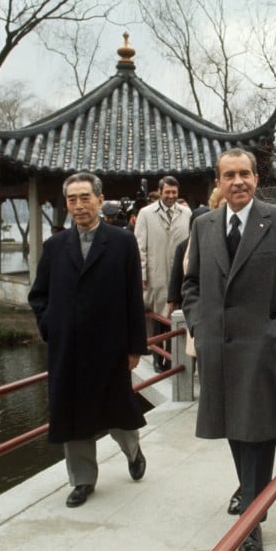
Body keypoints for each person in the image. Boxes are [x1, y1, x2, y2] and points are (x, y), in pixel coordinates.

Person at [182, 148, 276, 551]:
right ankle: (249, 490)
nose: (237, 181)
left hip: (261, 345)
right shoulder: (203, 225)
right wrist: (199, 325)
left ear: (257, 179)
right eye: (229, 175)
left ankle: (252, 523)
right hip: (219, 347)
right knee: (235, 431)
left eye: (245, 174)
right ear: (218, 181)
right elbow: (189, 284)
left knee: (258, 434)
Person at [28, 172, 149, 508]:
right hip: (68, 348)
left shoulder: (122, 242)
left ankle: (133, 450)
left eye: (85, 197)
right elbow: (38, 296)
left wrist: (135, 346)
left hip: (110, 345)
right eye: (72, 199)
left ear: (99, 199)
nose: (79, 206)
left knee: (117, 410)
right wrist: (51, 325)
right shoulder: (54, 247)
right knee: (73, 414)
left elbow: (133, 298)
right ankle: (82, 480)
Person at [134, 175, 192, 371]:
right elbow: (139, 247)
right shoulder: (146, 213)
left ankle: (174, 359)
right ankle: (159, 359)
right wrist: (141, 275)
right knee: (158, 316)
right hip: (156, 271)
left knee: (176, 315)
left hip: (179, 273)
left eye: (174, 192)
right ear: (160, 192)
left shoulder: (186, 213)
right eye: (167, 192)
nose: (171, 196)